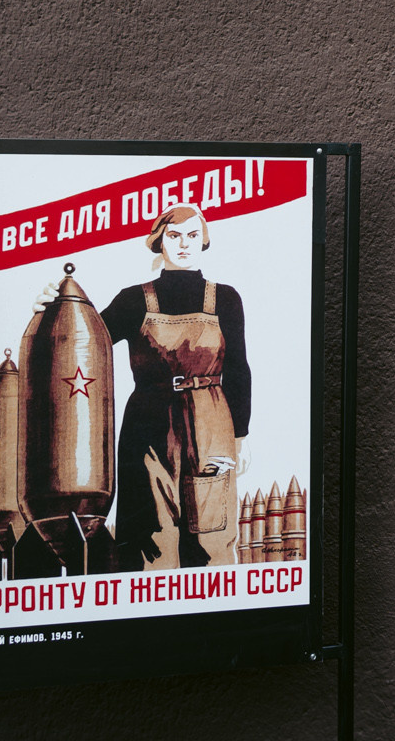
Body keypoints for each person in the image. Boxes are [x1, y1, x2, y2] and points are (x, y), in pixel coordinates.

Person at [101, 204, 253, 571]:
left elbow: (239, 368)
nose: (183, 244)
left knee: (211, 535)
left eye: (192, 235)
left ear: (203, 240)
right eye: (174, 235)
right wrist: (48, 305)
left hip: (212, 424)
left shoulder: (226, 298)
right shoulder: (133, 299)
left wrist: (241, 437)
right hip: (147, 429)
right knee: (150, 539)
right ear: (159, 240)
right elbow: (85, 339)